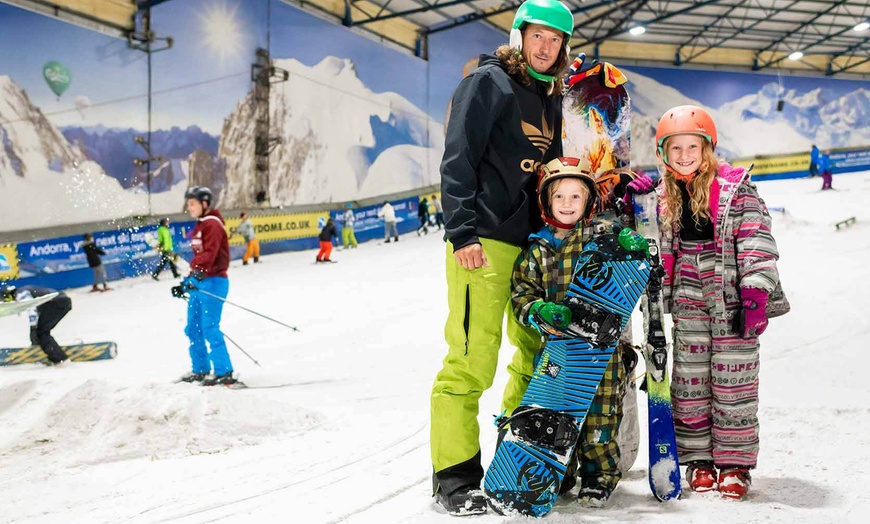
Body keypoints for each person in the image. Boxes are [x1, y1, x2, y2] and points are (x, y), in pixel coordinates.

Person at [430, 0, 570, 514]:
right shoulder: (487, 83)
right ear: (518, 35)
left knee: (533, 356)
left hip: (530, 247)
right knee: (471, 361)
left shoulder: (549, 99)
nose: (545, 46)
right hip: (482, 242)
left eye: (556, 40)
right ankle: (454, 477)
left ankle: (513, 460)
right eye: (538, 35)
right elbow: (459, 157)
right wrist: (461, 232)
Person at [631, 105, 784, 500]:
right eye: (675, 147)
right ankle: (698, 458)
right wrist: (634, 208)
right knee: (689, 380)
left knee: (735, 380)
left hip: (731, 294)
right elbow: (650, 244)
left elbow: (755, 238)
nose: (684, 155)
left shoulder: (735, 188)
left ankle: (734, 462)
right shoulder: (662, 197)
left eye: (692, 146)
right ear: (664, 152)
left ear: (708, 147)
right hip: (687, 294)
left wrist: (756, 291)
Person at [500, 157, 633, 507]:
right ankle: (560, 472)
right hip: (558, 353)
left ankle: (599, 476)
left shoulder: (602, 239)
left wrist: (632, 252)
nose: (568, 204)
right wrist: (539, 310)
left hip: (601, 352)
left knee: (599, 421)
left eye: (576, 197)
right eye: (560, 197)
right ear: (546, 201)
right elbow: (522, 295)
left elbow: (629, 275)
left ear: (589, 201)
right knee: (557, 418)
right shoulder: (536, 250)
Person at [173, 186, 236, 386]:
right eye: (188, 204)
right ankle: (200, 369)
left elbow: (209, 255)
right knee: (193, 328)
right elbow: (200, 258)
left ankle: (224, 371)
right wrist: (186, 283)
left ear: (204, 204)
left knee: (209, 327)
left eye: (192, 204)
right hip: (201, 281)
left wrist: (197, 274)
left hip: (214, 281)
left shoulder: (213, 225)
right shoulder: (201, 225)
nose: (189, 208)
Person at [1, 283, 71, 365]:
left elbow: (32, 309)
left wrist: (33, 328)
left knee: (41, 333)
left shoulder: (21, 293)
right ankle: (54, 356)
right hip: (61, 300)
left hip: (57, 302)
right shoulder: (25, 289)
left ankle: (60, 359)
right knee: (41, 332)